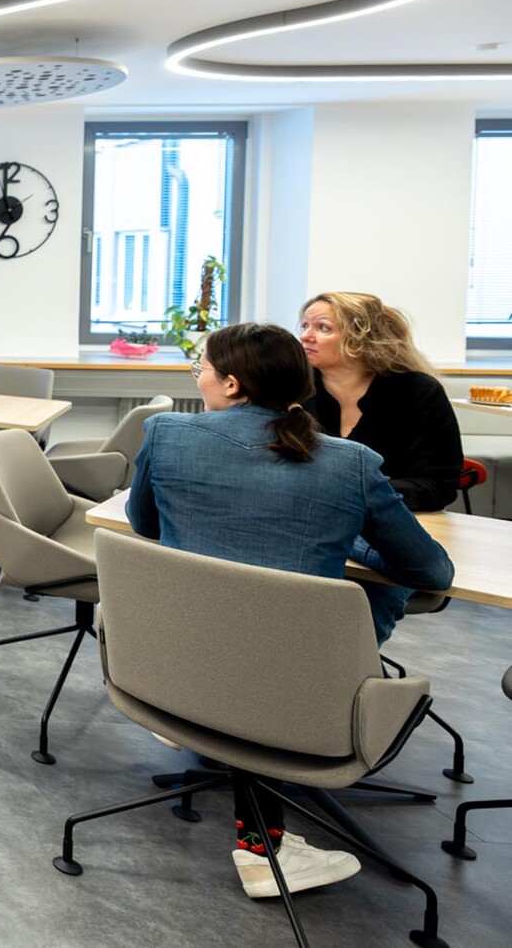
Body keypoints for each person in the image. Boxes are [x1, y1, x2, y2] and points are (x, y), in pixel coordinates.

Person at [126, 322, 453, 902]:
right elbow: (431, 573)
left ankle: (260, 831)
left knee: (249, 630)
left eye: (201, 369)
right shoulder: (350, 463)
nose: (198, 378)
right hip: (294, 688)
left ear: (231, 383)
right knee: (355, 605)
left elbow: (146, 523)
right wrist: (350, 537)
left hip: (172, 665)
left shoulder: (166, 434)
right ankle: (262, 846)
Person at [298, 291, 463, 511]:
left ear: (360, 339)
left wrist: (353, 496)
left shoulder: (418, 391)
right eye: (305, 326)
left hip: (396, 518)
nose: (306, 336)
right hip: (310, 516)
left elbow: (437, 485)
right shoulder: (292, 390)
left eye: (323, 328)